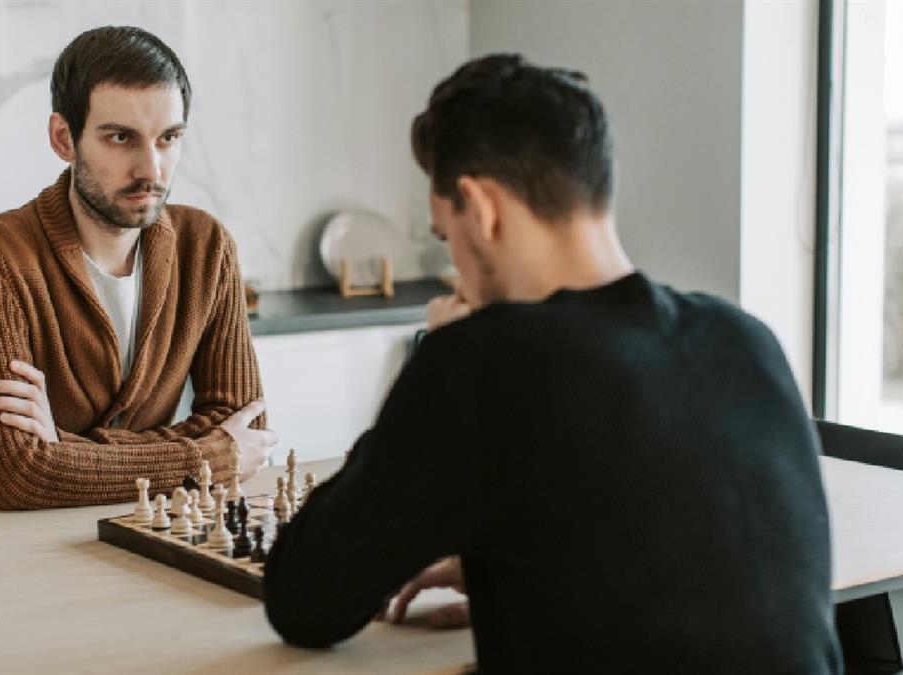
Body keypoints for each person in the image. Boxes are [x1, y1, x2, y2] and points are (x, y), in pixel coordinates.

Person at [263, 54, 841, 673]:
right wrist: (520, 564)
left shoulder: (482, 360)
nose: (454, 262)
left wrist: (434, 363)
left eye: (443, 234)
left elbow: (303, 600)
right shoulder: (744, 337)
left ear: (480, 209)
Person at [0, 27, 277, 512]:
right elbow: (20, 477)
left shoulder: (207, 246)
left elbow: (249, 431)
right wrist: (206, 457)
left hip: (136, 531)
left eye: (169, 138)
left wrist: (66, 448)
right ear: (63, 139)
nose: (152, 169)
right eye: (121, 138)